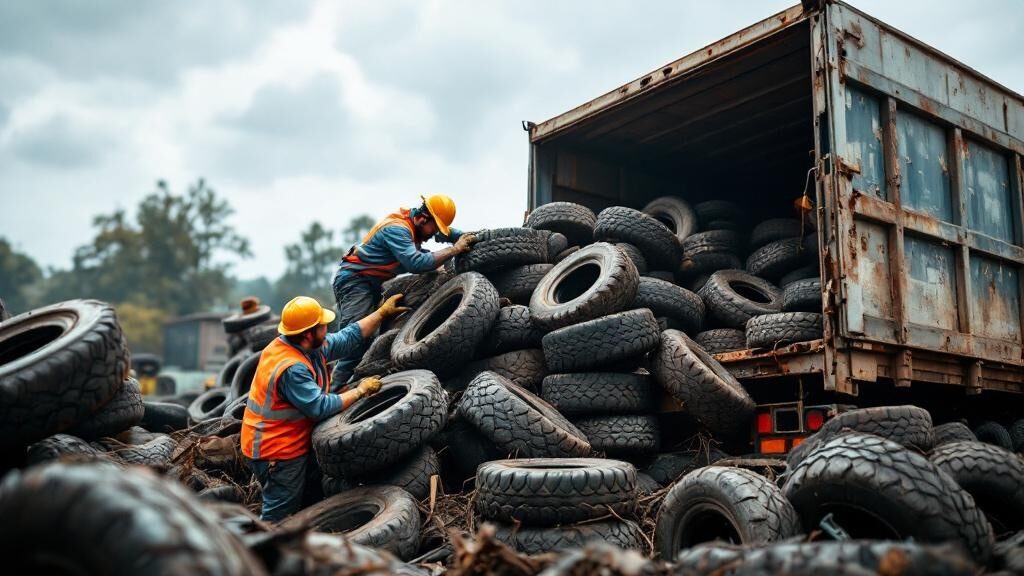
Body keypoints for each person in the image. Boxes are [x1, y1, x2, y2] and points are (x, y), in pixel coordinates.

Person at [240, 293, 409, 521]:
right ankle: (258, 553)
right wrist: (359, 391)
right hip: (277, 451)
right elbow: (319, 407)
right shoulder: (292, 368)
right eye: (323, 327)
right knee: (279, 516)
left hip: (286, 442)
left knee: (309, 501)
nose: (327, 330)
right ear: (309, 334)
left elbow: (346, 339)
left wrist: (381, 313)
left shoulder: (302, 345)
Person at [330, 194, 476, 383]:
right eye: (435, 227)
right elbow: (415, 263)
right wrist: (455, 250)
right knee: (358, 336)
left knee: (371, 335)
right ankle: (335, 390)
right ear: (422, 218)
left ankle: (347, 385)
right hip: (354, 281)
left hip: (370, 282)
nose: (434, 234)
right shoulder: (397, 230)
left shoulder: (417, 221)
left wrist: (470, 237)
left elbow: (444, 233)